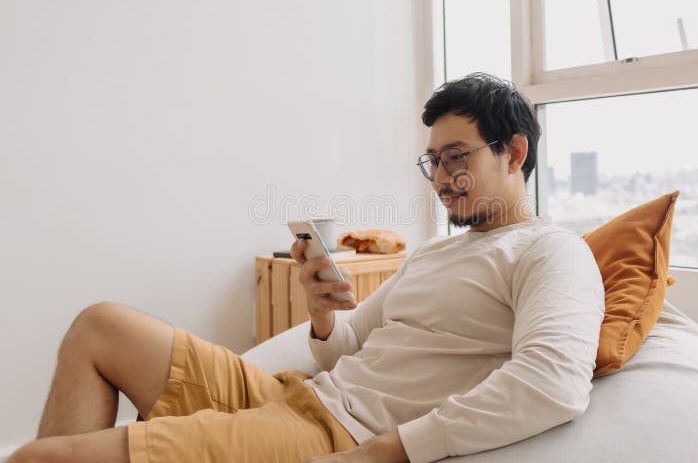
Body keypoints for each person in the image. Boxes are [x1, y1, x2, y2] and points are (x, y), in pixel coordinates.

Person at [10, 73, 604, 463]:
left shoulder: (550, 252)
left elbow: (550, 382)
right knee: (100, 325)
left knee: (33, 459)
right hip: (295, 394)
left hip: (333, 434)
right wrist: (320, 314)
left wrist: (388, 450)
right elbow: (347, 347)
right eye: (433, 162)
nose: (442, 179)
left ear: (516, 152)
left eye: (456, 158)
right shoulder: (434, 252)